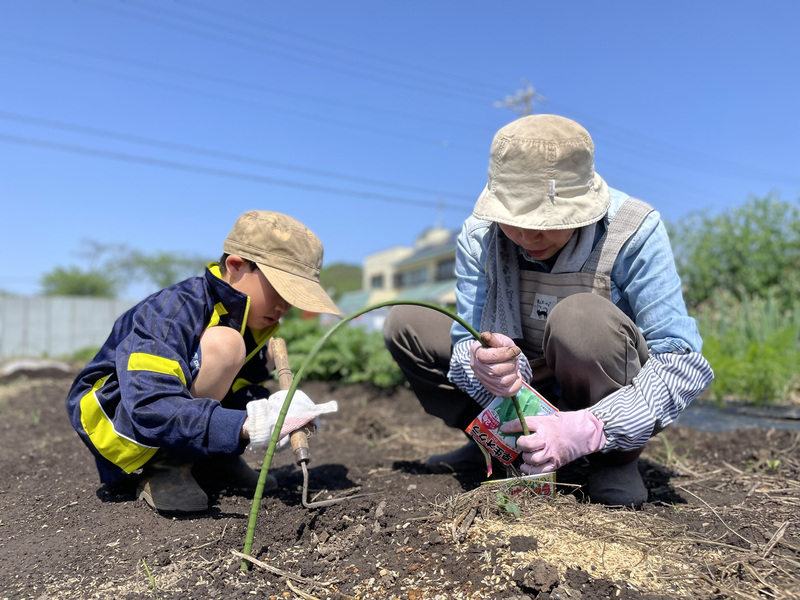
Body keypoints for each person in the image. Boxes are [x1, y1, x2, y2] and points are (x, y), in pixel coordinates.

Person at [383, 114, 714, 507]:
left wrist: (591, 428)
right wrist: (481, 363)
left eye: (545, 223)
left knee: (581, 319)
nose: (526, 237)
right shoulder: (480, 236)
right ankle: (496, 442)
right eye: (514, 221)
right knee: (406, 323)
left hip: (595, 386)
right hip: (523, 383)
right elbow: (462, 340)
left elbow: (681, 359)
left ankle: (612, 461)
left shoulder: (633, 230)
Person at [66, 211, 342, 514]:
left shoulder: (249, 324)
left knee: (241, 352)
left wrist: (275, 409)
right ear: (236, 266)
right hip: (113, 416)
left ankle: (214, 459)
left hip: (153, 414)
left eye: (294, 297)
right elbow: (150, 403)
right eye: (280, 289)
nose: (285, 305)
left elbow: (239, 392)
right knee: (226, 346)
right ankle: (167, 464)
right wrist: (248, 425)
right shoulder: (173, 311)